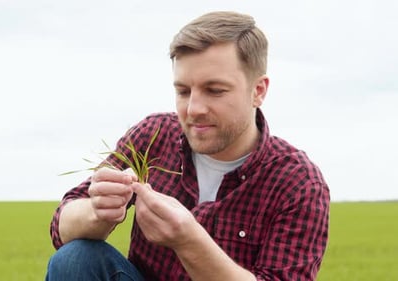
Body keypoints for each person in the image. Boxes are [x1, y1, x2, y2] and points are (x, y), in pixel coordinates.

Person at [46, 11, 330, 281]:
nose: (193, 109)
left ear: (258, 91)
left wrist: (189, 241)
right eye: (183, 91)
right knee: (75, 258)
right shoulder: (154, 135)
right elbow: (62, 224)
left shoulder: (298, 181)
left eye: (214, 90)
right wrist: (97, 211)